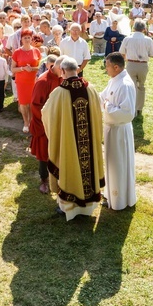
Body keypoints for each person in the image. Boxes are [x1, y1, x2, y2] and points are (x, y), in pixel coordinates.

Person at [42, 57, 104, 221]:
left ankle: (69, 207)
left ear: (62, 71)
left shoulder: (59, 93)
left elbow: (47, 114)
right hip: (88, 144)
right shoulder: (91, 89)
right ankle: (89, 206)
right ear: (77, 69)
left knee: (69, 164)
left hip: (68, 143)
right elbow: (98, 115)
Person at [99, 52, 137, 211]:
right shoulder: (114, 79)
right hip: (111, 130)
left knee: (119, 165)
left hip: (120, 131)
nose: (105, 69)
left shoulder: (125, 84)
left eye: (107, 66)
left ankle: (119, 200)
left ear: (116, 67)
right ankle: (110, 193)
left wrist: (107, 106)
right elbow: (102, 96)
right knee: (112, 163)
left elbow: (127, 113)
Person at [29, 54, 62, 194]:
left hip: (59, 122)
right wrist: (48, 120)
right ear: (55, 67)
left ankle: (60, 179)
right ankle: (44, 180)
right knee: (44, 153)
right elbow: (35, 105)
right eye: (63, 70)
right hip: (44, 123)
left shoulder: (62, 77)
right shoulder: (43, 81)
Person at [119, 19, 153, 116]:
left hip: (131, 64)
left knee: (131, 86)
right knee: (141, 86)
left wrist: (128, 57)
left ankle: (132, 107)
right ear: (144, 29)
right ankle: (139, 107)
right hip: (143, 64)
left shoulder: (127, 39)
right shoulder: (148, 40)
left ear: (134, 28)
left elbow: (122, 52)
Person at [12, 28, 42, 133]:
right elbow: (12, 69)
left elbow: (39, 67)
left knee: (32, 103)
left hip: (33, 81)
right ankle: (26, 122)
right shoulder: (17, 52)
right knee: (23, 103)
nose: (27, 39)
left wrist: (32, 69)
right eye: (25, 38)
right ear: (21, 39)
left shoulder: (36, 51)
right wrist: (23, 68)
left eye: (29, 37)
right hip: (21, 81)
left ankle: (32, 121)